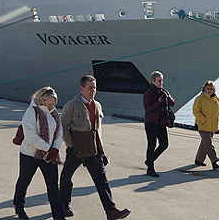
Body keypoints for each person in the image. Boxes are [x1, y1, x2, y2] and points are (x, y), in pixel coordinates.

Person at [59, 75, 131, 220]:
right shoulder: (71, 105)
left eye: (95, 88)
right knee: (66, 176)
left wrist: (101, 149)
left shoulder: (97, 105)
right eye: (90, 88)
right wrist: (71, 144)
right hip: (76, 148)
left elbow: (98, 129)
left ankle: (111, 211)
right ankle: (64, 205)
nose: (93, 91)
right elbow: (63, 125)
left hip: (94, 149)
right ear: (82, 89)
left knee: (101, 179)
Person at [13, 87, 65, 220]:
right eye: (49, 104)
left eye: (54, 104)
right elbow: (31, 137)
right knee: (24, 180)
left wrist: (55, 149)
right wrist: (49, 148)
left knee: (53, 186)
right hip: (30, 154)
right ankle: (19, 206)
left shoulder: (54, 113)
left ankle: (59, 216)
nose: (52, 107)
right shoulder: (31, 112)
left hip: (49, 155)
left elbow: (59, 132)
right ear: (41, 100)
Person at [143, 70, 175, 177]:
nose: (161, 83)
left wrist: (168, 97)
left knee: (164, 144)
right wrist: (158, 102)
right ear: (153, 82)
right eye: (159, 81)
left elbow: (172, 103)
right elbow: (147, 109)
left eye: (162, 81)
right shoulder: (148, 94)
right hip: (151, 122)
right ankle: (150, 168)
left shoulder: (164, 92)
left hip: (161, 122)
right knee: (152, 144)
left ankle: (150, 160)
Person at [192, 80, 219, 169]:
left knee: (204, 144)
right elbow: (196, 111)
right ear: (204, 89)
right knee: (208, 144)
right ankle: (214, 161)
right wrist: (203, 119)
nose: (209, 90)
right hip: (202, 126)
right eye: (207, 89)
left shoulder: (216, 100)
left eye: (211, 89)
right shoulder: (199, 99)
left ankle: (199, 160)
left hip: (212, 127)